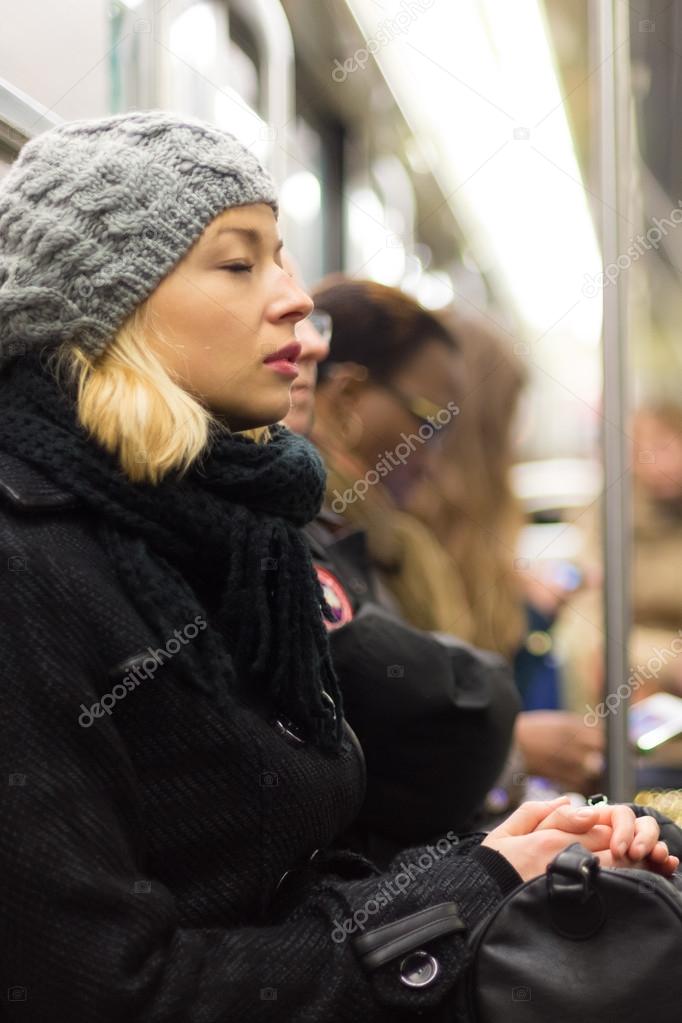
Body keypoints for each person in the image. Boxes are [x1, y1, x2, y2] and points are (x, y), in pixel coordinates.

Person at [0, 112, 676, 1023]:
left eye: (281, 257)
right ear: (106, 305)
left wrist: (497, 856)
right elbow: (109, 991)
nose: (293, 302)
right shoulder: (30, 563)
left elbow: (303, 881)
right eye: (239, 264)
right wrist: (465, 892)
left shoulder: (231, 534)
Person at [310, 278, 605, 795]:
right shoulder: (326, 541)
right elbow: (369, 748)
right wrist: (507, 753)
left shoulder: (391, 541)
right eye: (429, 423)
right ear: (346, 397)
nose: (433, 455)